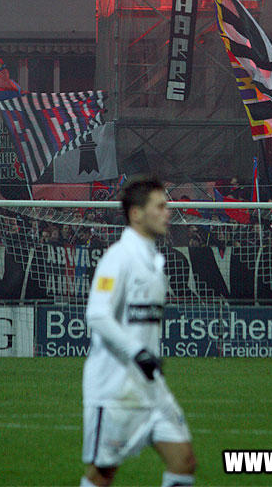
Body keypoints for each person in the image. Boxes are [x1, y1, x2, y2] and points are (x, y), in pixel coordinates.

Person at [81, 176, 196, 487]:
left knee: (184, 461)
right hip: (115, 388)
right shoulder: (118, 258)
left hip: (149, 385)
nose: (167, 213)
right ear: (136, 214)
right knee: (104, 474)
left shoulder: (153, 260)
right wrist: (138, 352)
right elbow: (97, 314)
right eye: (159, 206)